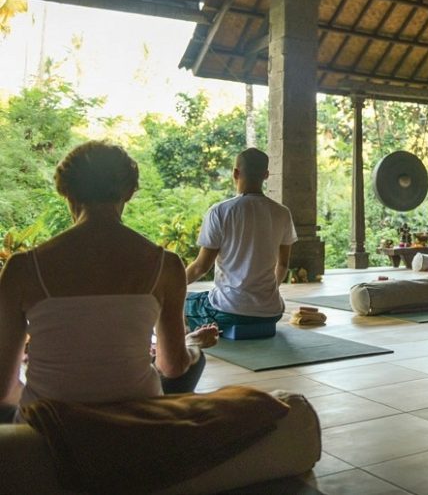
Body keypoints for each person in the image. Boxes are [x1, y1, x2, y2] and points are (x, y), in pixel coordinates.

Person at [0, 142, 218, 423]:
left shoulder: (22, 268)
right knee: (194, 359)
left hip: (49, 428)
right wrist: (191, 347)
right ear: (129, 191)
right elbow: (172, 367)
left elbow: (3, 388)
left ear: (65, 190)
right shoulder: (167, 265)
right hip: (138, 422)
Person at [183, 148, 296, 330]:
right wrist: (264, 295)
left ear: (235, 173)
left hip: (228, 311)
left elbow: (200, 267)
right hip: (271, 313)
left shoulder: (220, 211)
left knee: (178, 303)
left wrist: (168, 287)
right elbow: (283, 265)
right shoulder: (282, 213)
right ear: (266, 175)